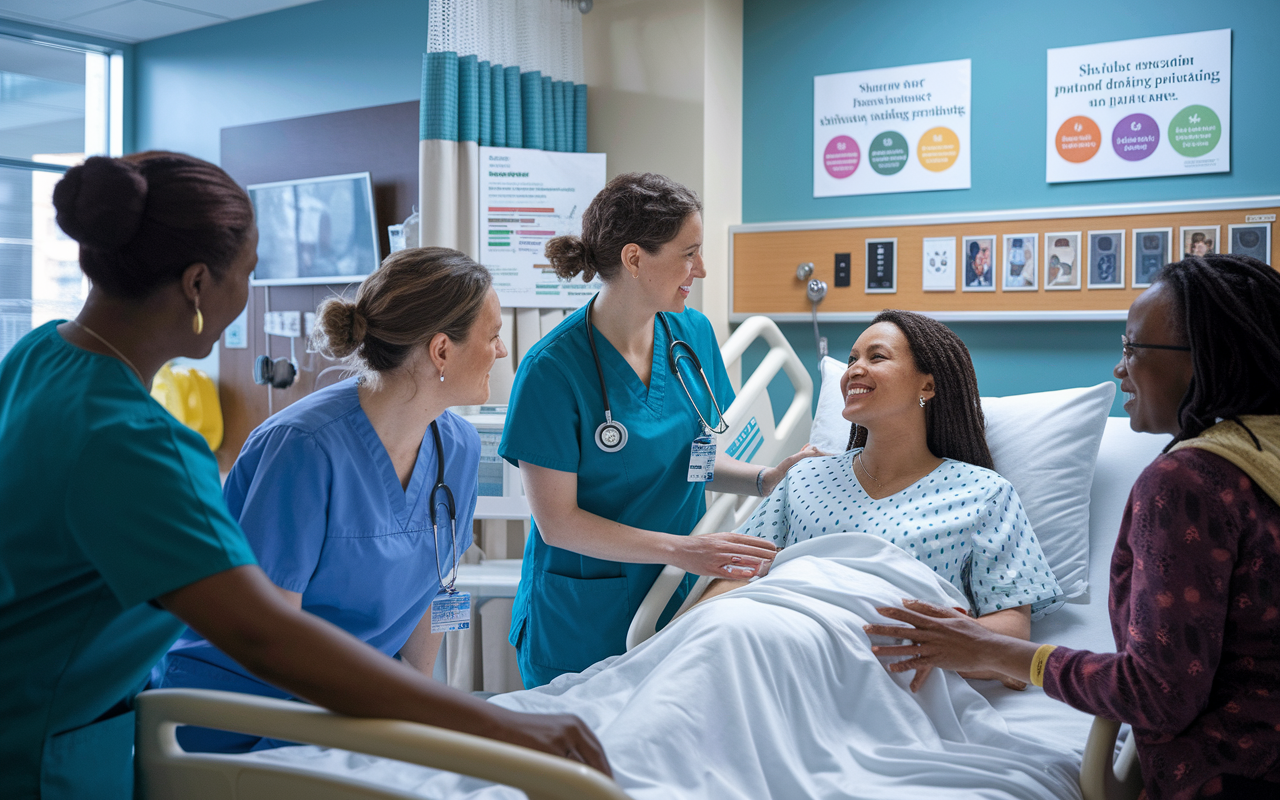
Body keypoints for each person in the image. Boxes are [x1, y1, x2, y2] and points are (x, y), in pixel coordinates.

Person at [0, 152, 607, 800]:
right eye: (250, 273)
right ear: (199, 284)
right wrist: (498, 727)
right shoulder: (144, 445)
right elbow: (265, 635)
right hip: (50, 746)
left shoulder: (39, 358)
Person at [866, 254, 1280, 799]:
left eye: (1133, 348)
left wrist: (983, 647)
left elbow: (1157, 692)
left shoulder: (1190, 482)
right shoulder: (1263, 456)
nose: (1119, 367)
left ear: (1206, 358)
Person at [153, 247, 505, 752]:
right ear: (441, 351)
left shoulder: (460, 448)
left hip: (354, 706)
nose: (502, 351)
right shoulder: (303, 448)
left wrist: (419, 710)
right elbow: (274, 637)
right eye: (492, 337)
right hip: (248, 710)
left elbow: (433, 592)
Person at [499, 172, 818, 687]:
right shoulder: (551, 371)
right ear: (634, 259)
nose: (703, 269)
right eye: (688, 253)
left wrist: (765, 478)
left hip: (676, 595)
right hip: (584, 618)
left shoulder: (691, 333)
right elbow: (559, 523)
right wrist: (685, 550)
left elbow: (689, 458)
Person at [702, 309, 1064, 691]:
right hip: (761, 645)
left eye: (876, 357)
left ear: (927, 386)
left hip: (877, 673)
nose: (854, 370)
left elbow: (1011, 631)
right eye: (852, 359)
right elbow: (735, 573)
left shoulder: (984, 493)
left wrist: (936, 644)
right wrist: (691, 631)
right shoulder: (805, 477)